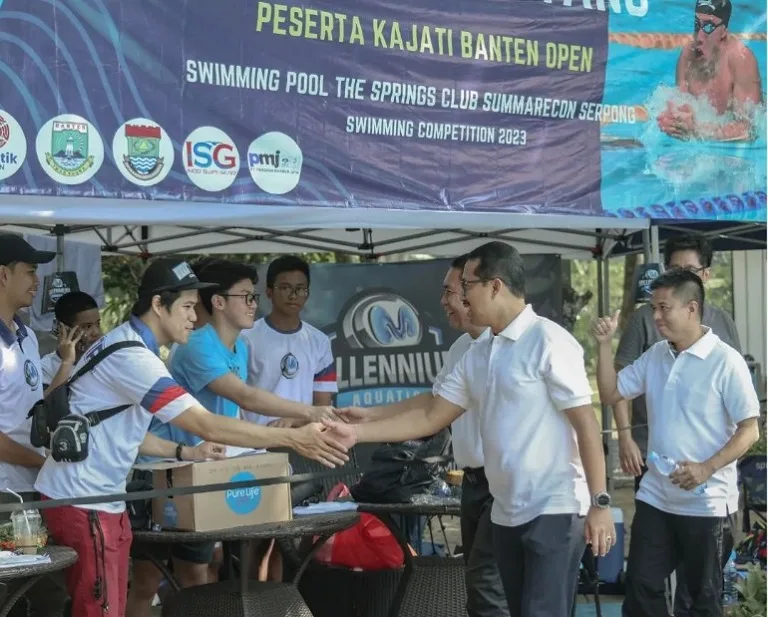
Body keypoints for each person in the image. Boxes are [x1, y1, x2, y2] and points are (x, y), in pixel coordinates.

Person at [33, 258, 349, 617]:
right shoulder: (134, 358)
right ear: (157, 304)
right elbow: (206, 423)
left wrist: (186, 451)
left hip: (99, 499)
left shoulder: (133, 346)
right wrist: (295, 438)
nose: (194, 315)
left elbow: (126, 436)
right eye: (186, 306)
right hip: (83, 499)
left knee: (111, 606)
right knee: (99, 610)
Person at [325, 241, 614, 617]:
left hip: (555, 507)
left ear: (494, 286)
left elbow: (587, 426)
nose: (461, 296)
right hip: (505, 510)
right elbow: (431, 413)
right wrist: (358, 433)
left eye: (467, 285)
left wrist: (600, 503)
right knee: (500, 605)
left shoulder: (549, 341)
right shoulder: (477, 352)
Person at [127, 258, 340, 617]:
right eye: (246, 296)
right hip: (166, 473)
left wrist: (264, 437)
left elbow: (231, 413)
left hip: (206, 471)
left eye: (255, 295)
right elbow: (242, 397)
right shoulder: (196, 346)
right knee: (159, 581)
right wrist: (306, 413)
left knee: (211, 570)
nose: (254, 303)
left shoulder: (239, 347)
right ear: (220, 301)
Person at [340, 254, 508, 617]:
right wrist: (370, 415)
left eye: (450, 292)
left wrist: (358, 431)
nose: (445, 301)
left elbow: (431, 418)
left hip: (507, 484)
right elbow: (433, 401)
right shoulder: (462, 348)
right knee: (479, 587)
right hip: (476, 484)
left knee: (491, 588)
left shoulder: (510, 346)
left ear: (472, 292)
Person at [593, 269, 760, 617]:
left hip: (708, 504)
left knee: (702, 599)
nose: (655, 317)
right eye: (653, 307)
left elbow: (750, 430)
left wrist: (706, 468)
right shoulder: (656, 355)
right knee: (641, 585)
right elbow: (610, 392)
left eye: (663, 308)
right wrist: (605, 345)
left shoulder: (725, 360)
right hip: (656, 495)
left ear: (691, 308)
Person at [0, 234, 69, 617]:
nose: (37, 280)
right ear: (2, 275)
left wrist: (66, 365)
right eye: (29, 271)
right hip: (5, 494)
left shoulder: (25, 335)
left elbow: (33, 407)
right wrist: (39, 463)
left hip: (31, 489)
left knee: (44, 595)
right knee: (11, 597)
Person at [242, 255, 338, 427]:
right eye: (285, 288)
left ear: (307, 293)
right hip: (257, 443)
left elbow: (322, 406)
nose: (293, 295)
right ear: (269, 292)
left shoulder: (320, 341)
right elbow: (236, 395)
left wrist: (294, 421)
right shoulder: (246, 337)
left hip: (307, 439)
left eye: (300, 289)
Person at [657, 0, 763, 141]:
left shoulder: (740, 58)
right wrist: (673, 121)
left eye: (708, 27)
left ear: (724, 31)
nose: (699, 37)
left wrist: (698, 130)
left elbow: (749, 131)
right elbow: (682, 107)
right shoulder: (687, 56)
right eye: (697, 25)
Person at [41, 291, 102, 390]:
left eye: (98, 324)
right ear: (63, 329)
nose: (96, 332)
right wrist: (67, 362)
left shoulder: (105, 359)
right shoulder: (46, 368)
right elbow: (48, 403)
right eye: (87, 326)